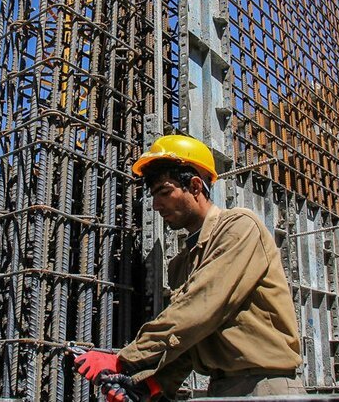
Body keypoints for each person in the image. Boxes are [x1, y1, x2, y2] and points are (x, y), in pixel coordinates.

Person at [75, 135, 305, 400]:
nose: (157, 204)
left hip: (265, 386)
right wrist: (149, 385)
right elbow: (192, 338)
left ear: (195, 186)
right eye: (154, 196)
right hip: (222, 388)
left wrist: (124, 360)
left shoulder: (240, 227)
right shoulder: (181, 264)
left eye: (165, 191)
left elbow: (201, 306)